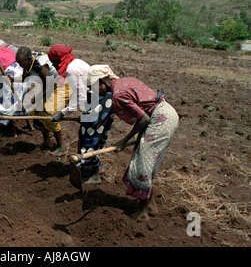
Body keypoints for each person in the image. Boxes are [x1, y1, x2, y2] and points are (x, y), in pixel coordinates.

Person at [85, 65, 179, 221]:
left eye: (92, 87)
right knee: (147, 164)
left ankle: (142, 212)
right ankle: (150, 206)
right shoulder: (123, 82)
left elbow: (144, 118)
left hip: (159, 120)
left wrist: (124, 140)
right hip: (166, 113)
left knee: (141, 167)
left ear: (101, 81)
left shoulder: (118, 94)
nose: (93, 91)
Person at [16, 47, 69, 150]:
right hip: (43, 85)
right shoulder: (27, 63)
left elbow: (48, 88)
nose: (20, 66)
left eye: (21, 63)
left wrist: (31, 101)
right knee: (36, 111)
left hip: (57, 85)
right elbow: (24, 77)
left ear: (28, 60)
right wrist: (12, 79)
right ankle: (47, 141)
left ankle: (60, 146)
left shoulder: (41, 66)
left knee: (47, 112)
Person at [47, 44, 90, 156]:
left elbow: (81, 97)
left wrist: (63, 113)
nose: (52, 64)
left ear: (61, 59)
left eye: (53, 61)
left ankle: (92, 165)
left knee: (88, 135)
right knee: (88, 133)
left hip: (99, 99)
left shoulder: (71, 70)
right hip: (95, 98)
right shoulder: (76, 62)